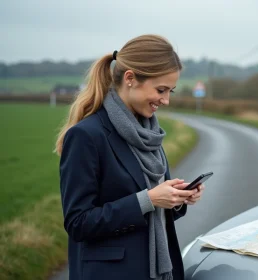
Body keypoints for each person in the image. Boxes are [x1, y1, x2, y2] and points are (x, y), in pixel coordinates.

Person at [55, 34, 205, 280]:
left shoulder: (148, 133)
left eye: (170, 91)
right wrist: (148, 200)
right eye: (161, 90)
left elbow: (155, 208)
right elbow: (78, 223)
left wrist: (177, 198)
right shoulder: (86, 136)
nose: (166, 100)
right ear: (130, 79)